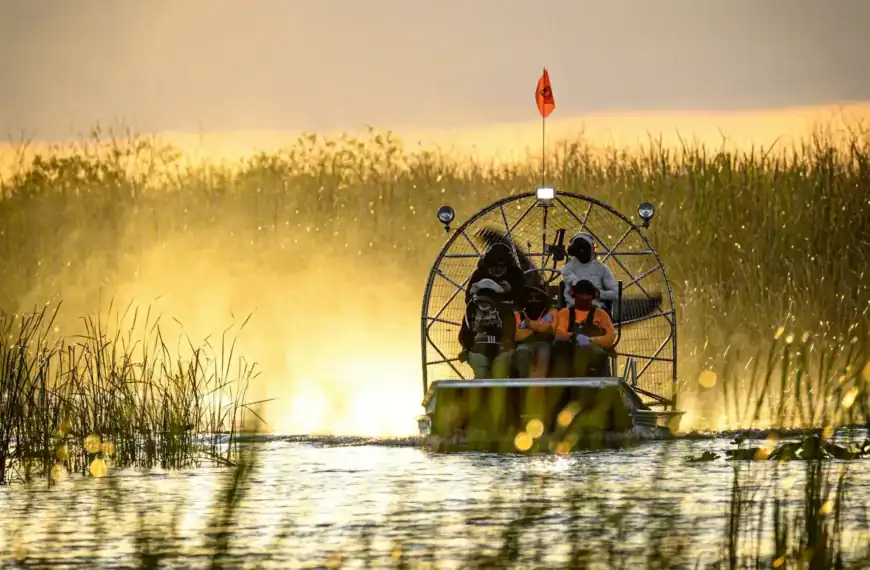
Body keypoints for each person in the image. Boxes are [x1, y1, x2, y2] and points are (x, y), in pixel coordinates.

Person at [552, 280, 617, 377]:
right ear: (574, 295)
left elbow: (611, 336)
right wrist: (574, 336)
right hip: (570, 353)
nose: (584, 297)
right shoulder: (565, 313)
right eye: (581, 295)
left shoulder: (600, 314)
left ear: (593, 296)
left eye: (587, 295)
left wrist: (592, 340)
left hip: (594, 353)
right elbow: (559, 333)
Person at [458, 278, 516, 379]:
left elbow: (511, 332)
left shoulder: (505, 312)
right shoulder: (471, 312)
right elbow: (464, 334)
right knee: (481, 372)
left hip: (502, 351)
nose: (484, 301)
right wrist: (467, 347)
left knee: (499, 374)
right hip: (478, 351)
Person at [561, 232, 619, 310]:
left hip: (597, 311)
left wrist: (598, 293)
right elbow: (577, 283)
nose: (584, 253)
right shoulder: (567, 268)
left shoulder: (602, 268)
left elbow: (616, 294)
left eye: (586, 249)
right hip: (573, 311)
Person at [513, 287, 558, 378]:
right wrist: (538, 327)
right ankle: (525, 386)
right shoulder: (518, 314)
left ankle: (539, 387)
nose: (534, 300)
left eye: (537, 297)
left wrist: (529, 326)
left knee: (543, 354)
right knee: (522, 353)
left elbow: (552, 330)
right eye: (530, 297)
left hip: (544, 343)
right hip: (525, 344)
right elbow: (516, 336)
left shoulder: (552, 311)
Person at [466, 242, 527, 309]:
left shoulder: (515, 274)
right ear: (488, 263)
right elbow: (468, 298)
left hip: (506, 310)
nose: (498, 269)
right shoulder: (480, 273)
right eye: (494, 265)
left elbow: (522, 299)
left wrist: (511, 291)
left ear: (508, 264)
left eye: (502, 266)